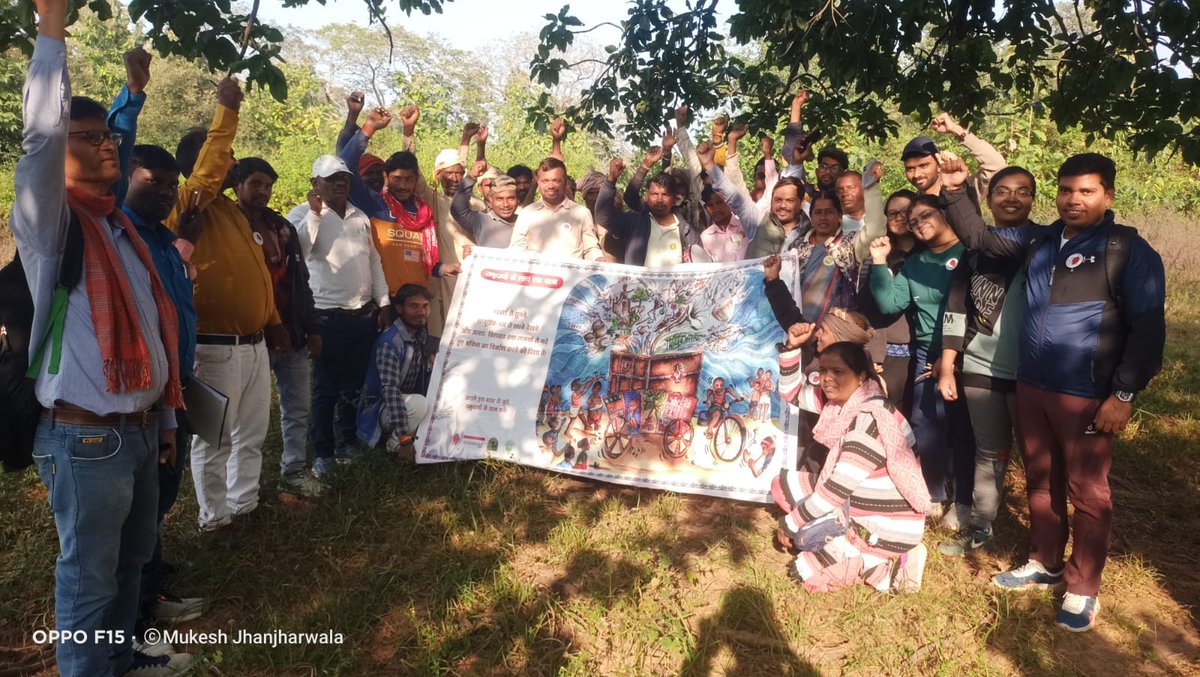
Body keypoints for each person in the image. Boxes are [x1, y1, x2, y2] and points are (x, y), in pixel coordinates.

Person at [14, 2, 192, 673]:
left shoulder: (121, 232)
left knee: (130, 562)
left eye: (107, 136)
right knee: (90, 576)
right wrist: (51, 30)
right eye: (87, 137)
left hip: (140, 432)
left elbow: (151, 334)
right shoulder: (52, 226)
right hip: (86, 437)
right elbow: (40, 139)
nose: (107, 144)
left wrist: (164, 418)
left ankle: (117, 661)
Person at [940, 152, 1165, 632]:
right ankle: (1044, 562)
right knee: (1041, 481)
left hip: (1086, 392)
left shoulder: (1127, 249)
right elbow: (979, 237)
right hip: (1032, 385)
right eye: (1066, 190)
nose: (1073, 200)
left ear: (1108, 195)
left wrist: (1123, 394)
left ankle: (1083, 587)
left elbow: (1148, 329)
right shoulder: (1038, 240)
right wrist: (956, 190)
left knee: (1088, 492)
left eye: (1086, 191)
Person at [105, 45, 207, 644]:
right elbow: (111, 155)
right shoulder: (117, 233)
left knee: (160, 496)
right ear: (125, 181)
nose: (167, 192)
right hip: (131, 400)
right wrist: (133, 96)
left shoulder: (164, 243)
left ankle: (151, 585)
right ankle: (136, 613)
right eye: (154, 182)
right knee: (136, 507)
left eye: (172, 184)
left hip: (171, 392)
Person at [172, 78, 288, 533]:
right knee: (215, 439)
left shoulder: (231, 211)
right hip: (214, 346)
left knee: (252, 434)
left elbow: (255, 272)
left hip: (254, 344)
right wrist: (227, 112)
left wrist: (272, 319)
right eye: (227, 158)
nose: (234, 164)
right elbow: (207, 172)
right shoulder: (190, 202)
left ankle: (245, 505)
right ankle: (215, 519)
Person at [936, 166, 1039, 556]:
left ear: (1034, 199)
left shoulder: (1043, 243)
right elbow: (956, 308)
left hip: (1032, 372)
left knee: (1038, 458)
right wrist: (948, 363)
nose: (1011, 198)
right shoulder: (973, 254)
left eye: (1022, 191)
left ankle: (1043, 542)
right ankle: (981, 528)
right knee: (989, 452)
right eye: (1002, 191)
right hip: (980, 367)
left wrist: (954, 189)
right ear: (991, 198)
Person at [772, 341, 930, 593]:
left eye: (838, 372)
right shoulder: (841, 404)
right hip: (856, 503)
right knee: (781, 486)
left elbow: (835, 491)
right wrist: (790, 347)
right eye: (823, 370)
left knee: (804, 572)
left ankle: (888, 564)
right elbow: (792, 393)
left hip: (884, 525)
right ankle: (864, 557)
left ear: (861, 376)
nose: (827, 379)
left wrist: (790, 524)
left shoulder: (867, 419)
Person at [869, 195, 976, 522]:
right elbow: (889, 303)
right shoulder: (915, 264)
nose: (918, 224)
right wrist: (878, 262)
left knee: (964, 430)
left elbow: (978, 310)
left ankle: (964, 500)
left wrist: (951, 358)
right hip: (926, 353)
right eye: (912, 221)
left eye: (924, 215)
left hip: (969, 354)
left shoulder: (970, 254)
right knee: (926, 425)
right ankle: (932, 494)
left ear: (944, 213)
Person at [286, 155, 392, 475]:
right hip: (325, 316)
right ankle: (323, 452)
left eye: (344, 178)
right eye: (332, 178)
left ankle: (346, 441)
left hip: (362, 314)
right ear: (315, 183)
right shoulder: (301, 214)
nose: (340, 183)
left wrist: (383, 302)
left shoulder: (359, 216)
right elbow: (300, 250)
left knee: (353, 385)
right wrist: (315, 214)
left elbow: (373, 261)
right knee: (326, 388)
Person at [233, 157, 323, 496]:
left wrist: (312, 327)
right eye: (255, 183)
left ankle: (294, 470)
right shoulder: (229, 226)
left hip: (294, 333)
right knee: (246, 417)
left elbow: (300, 279)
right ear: (237, 185)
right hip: (253, 336)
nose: (263, 191)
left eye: (268, 185)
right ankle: (243, 486)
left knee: (297, 409)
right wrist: (271, 323)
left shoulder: (281, 227)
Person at [760, 182, 885, 328]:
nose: (823, 217)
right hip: (798, 326)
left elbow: (875, 229)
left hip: (836, 328)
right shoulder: (797, 246)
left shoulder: (850, 244)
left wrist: (871, 186)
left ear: (839, 215)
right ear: (811, 216)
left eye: (829, 212)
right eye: (818, 212)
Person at [358, 284, 435, 462]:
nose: (421, 312)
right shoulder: (390, 343)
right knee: (419, 404)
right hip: (380, 409)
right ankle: (395, 448)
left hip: (404, 402)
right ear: (399, 309)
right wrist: (404, 439)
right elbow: (390, 392)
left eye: (425, 306)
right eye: (414, 306)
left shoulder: (420, 335)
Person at [857, 190, 919, 414]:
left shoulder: (930, 254)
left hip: (926, 354)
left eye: (905, 212)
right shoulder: (878, 255)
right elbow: (869, 307)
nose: (899, 217)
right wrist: (873, 353)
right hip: (891, 354)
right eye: (892, 213)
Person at [697, 140, 812, 259]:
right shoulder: (759, 223)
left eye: (790, 201)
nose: (783, 205)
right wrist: (709, 165)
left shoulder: (811, 231)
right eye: (778, 200)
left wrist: (797, 163)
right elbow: (734, 198)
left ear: (801, 204)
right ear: (771, 201)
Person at [597, 156, 699, 266]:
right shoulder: (634, 222)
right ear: (646, 196)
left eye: (665, 195)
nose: (659, 200)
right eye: (654, 194)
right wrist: (611, 180)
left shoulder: (687, 231)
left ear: (674, 198)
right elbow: (603, 217)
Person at [508, 157, 609, 261]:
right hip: (536, 271)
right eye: (545, 181)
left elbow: (590, 248)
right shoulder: (527, 213)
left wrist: (598, 258)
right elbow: (517, 248)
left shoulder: (581, 213)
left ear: (565, 183)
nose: (550, 186)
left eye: (556, 181)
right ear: (538, 182)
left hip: (571, 271)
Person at [902, 112, 1006, 200]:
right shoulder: (909, 208)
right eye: (910, 169)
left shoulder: (964, 192)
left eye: (923, 166)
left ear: (939, 166)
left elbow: (997, 166)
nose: (916, 174)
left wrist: (956, 130)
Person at [452, 160, 519, 248]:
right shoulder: (481, 222)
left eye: (511, 198)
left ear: (518, 200)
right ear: (491, 200)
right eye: (499, 199)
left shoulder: (526, 221)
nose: (505, 204)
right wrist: (472, 177)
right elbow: (458, 210)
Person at [695, 186, 748, 262]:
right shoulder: (705, 237)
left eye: (720, 202)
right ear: (706, 208)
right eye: (710, 205)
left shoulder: (745, 226)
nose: (716, 208)